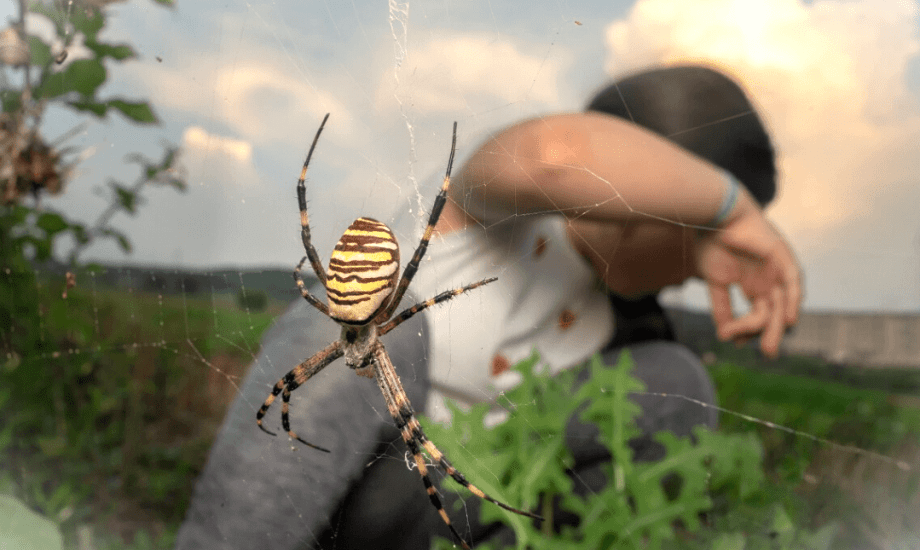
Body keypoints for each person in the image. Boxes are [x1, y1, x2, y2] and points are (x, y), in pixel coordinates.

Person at [173, 65, 801, 550]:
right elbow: (554, 156)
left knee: (676, 379)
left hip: (444, 504)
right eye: (709, 242)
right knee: (369, 333)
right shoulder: (495, 209)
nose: (701, 269)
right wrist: (734, 209)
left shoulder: (620, 331)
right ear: (666, 202)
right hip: (354, 467)